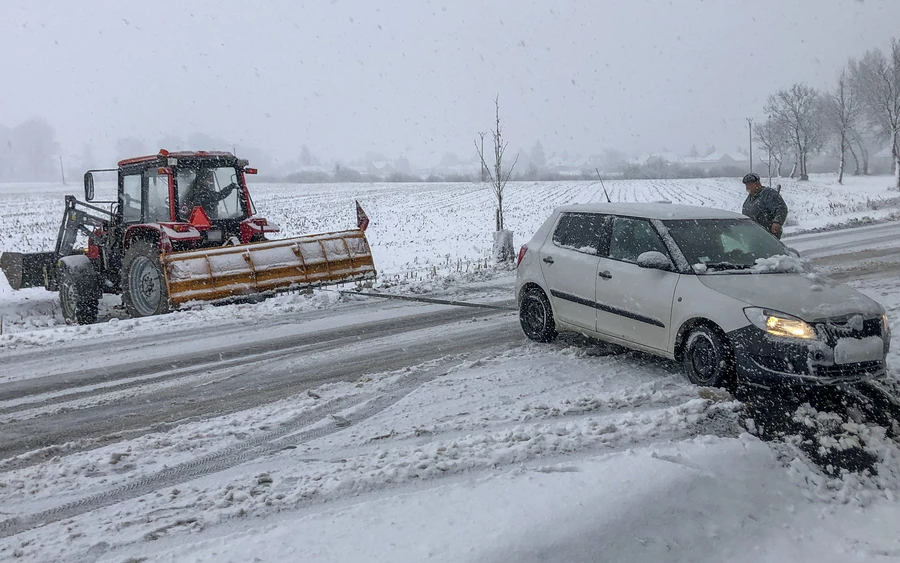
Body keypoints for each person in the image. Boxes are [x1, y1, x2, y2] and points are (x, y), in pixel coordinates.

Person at [741, 172, 788, 239]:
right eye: (746, 185)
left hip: (768, 235)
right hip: (754, 235)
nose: (747, 187)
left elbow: (781, 208)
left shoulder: (768, 194)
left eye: (749, 184)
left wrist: (777, 222)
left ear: (757, 184)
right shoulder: (749, 199)